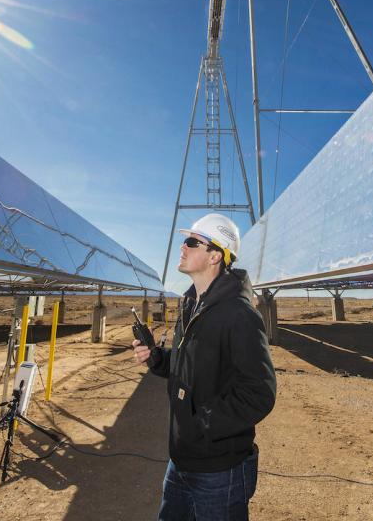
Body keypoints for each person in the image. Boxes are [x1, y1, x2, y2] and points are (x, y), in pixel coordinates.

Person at [133, 213, 276, 521]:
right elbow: (192, 363)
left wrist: (203, 423)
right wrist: (158, 359)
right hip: (181, 462)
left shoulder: (239, 315)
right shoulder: (192, 305)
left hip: (219, 470)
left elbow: (259, 393)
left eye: (192, 242)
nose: (182, 247)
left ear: (215, 256)